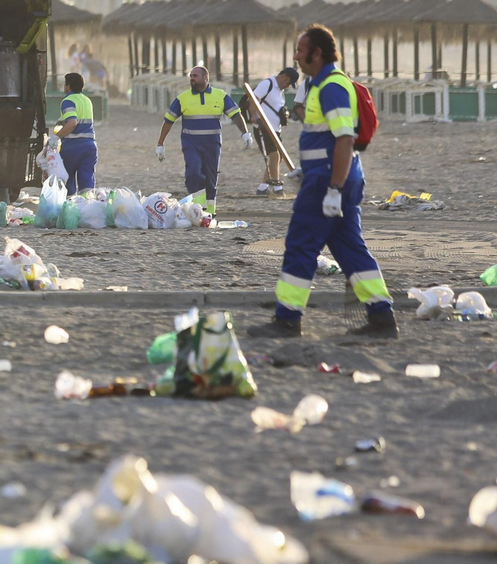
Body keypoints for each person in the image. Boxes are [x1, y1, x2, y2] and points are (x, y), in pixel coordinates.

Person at [254, 25, 395, 339]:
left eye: (301, 51)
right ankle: (382, 318)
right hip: (329, 176)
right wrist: (308, 168)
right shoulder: (320, 85)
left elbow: (345, 139)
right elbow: (327, 139)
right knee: (350, 249)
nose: (296, 57)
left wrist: (332, 187)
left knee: (300, 244)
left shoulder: (331, 87)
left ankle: (287, 319)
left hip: (329, 183)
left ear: (317, 53)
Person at [155, 65, 254, 217]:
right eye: (190, 76)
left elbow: (236, 115)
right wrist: (160, 143)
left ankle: (210, 212)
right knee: (193, 172)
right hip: (191, 144)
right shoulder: (183, 98)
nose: (191, 78)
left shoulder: (220, 96)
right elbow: (169, 120)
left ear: (206, 78)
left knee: (211, 176)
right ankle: (199, 207)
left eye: (195, 76)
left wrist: (245, 133)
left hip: (212, 144)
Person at [250, 66, 299, 196]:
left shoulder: (278, 90)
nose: (288, 86)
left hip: (274, 129)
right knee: (274, 156)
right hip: (263, 127)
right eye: (288, 83)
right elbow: (253, 98)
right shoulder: (268, 84)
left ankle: (263, 187)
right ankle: (277, 187)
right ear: (284, 77)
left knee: (278, 158)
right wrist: (254, 115)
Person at [53, 72, 98, 192]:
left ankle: (70, 207)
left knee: (67, 181)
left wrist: (55, 137)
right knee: (87, 183)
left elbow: (72, 123)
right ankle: (87, 206)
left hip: (73, 147)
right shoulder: (87, 100)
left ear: (68, 86)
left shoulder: (68, 101)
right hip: (90, 146)